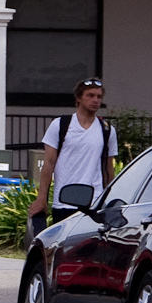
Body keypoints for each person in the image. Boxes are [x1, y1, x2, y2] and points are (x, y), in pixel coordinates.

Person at [35, 78, 118, 230]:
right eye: (90, 95)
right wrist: (41, 199)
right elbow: (48, 164)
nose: (95, 100)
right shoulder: (61, 125)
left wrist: (110, 200)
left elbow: (108, 168)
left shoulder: (107, 131)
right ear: (78, 98)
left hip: (94, 202)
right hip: (64, 202)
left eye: (99, 97)